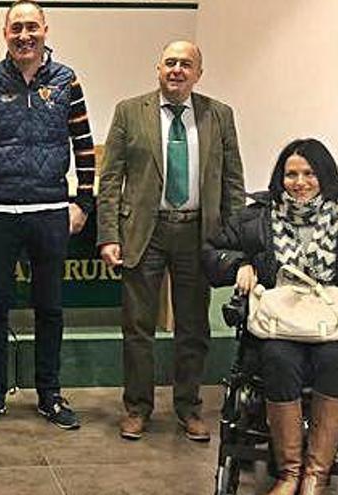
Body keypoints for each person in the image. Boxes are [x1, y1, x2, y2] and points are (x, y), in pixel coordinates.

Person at [203, 138, 338, 495]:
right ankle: (290, 473)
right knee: (277, 357)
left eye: (309, 173)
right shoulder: (257, 218)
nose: (299, 182)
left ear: (326, 175)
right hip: (280, 320)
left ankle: (315, 475)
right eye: (291, 174)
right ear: (280, 178)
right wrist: (240, 263)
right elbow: (212, 250)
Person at [0, 0, 96, 430]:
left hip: (51, 210)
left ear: (46, 30)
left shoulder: (67, 81)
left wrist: (83, 202)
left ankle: (49, 394)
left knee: (49, 308)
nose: (24, 35)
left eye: (31, 27)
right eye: (16, 28)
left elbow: (84, 144)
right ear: (5, 34)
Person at [97, 40, 245, 442]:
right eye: (170, 63)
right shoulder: (130, 111)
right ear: (158, 68)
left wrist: (234, 241)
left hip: (199, 233)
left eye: (186, 64)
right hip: (145, 231)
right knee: (138, 327)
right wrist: (109, 234)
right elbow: (110, 179)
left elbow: (233, 181)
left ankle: (189, 407)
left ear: (199, 73)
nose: (177, 70)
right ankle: (137, 408)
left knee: (194, 327)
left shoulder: (220, 115)